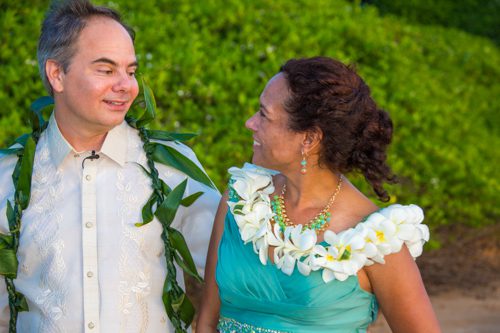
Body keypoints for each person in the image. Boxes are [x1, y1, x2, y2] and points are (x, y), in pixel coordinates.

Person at [0, 0, 220, 332]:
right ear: (57, 74)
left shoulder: (172, 166)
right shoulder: (8, 177)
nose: (126, 86)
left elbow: (229, 277)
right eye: (106, 70)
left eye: (130, 71)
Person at [197, 57, 441, 332]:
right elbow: (206, 322)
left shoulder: (375, 238)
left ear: (309, 139)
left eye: (264, 115)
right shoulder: (239, 201)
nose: (249, 123)